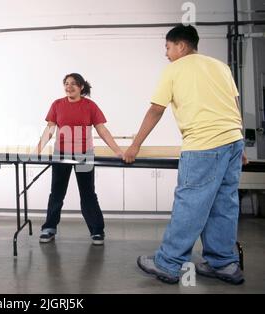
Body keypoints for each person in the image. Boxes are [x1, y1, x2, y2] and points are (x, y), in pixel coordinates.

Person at [124, 24, 247, 285]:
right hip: (232, 142)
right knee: (224, 204)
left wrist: (134, 146)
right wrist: (241, 146)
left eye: (168, 48)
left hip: (204, 144)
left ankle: (167, 263)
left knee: (190, 204)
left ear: (181, 46)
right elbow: (235, 105)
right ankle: (223, 263)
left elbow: (156, 110)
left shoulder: (174, 69)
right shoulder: (220, 67)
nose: (166, 54)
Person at [36, 73, 124, 246]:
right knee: (57, 193)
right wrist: (37, 150)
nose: (69, 87)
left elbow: (102, 130)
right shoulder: (57, 104)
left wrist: (118, 151)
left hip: (84, 154)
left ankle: (97, 231)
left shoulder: (90, 106)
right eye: (66, 84)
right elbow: (50, 129)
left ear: (81, 87)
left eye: (73, 84)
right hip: (61, 154)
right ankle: (49, 228)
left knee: (88, 194)